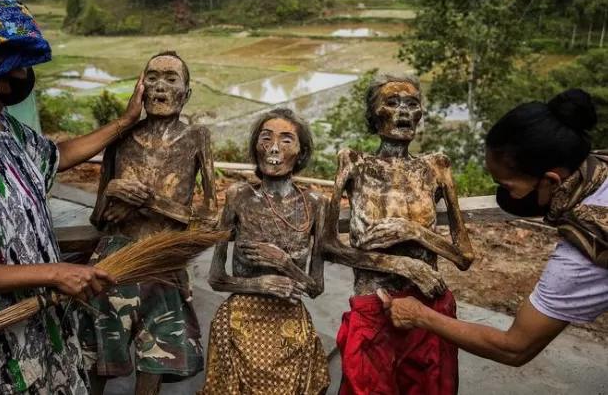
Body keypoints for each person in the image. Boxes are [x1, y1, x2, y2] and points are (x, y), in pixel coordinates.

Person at [0, 0, 143, 394]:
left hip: (38, 327)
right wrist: (56, 272)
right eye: (20, 68)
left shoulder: (8, 130)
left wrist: (124, 123)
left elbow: (58, 155)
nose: (27, 77)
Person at [380, 88, 608, 368]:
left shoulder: (586, 251)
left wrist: (420, 316)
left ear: (552, 181)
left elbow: (515, 348)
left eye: (508, 187)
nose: (504, 194)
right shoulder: (599, 166)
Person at [322, 74, 473, 395]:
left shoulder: (436, 166)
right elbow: (327, 245)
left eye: (412, 104)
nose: (403, 112)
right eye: (392, 103)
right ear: (374, 113)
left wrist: (412, 231)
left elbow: (464, 255)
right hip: (374, 307)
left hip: (429, 308)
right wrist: (403, 265)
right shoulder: (354, 162)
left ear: (420, 114)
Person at [79, 52, 218, 395]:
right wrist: (113, 190)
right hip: (114, 258)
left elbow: (211, 215)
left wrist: (148, 202)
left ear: (186, 93)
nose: (160, 87)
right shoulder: (121, 138)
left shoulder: (196, 138)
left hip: (161, 259)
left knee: (155, 356)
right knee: (98, 352)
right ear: (140, 88)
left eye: (171, 79)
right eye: (152, 77)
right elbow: (99, 217)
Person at [200, 108, 330, 395]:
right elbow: (216, 278)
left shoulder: (316, 203)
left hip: (289, 327)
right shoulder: (239, 196)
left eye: (286, 140)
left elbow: (315, 288)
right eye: (266, 138)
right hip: (239, 323)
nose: (273, 147)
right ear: (256, 147)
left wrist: (286, 265)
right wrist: (258, 284)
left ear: (301, 152)